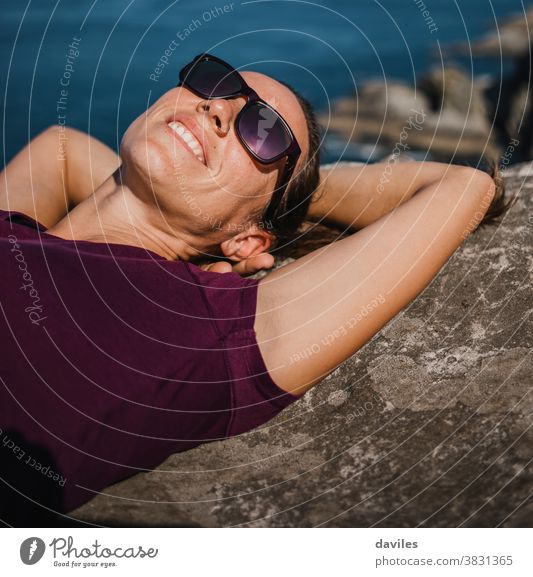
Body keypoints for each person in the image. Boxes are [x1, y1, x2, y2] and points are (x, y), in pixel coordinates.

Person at [0, 52, 504, 526]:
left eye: (264, 132)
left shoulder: (207, 325)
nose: (216, 107)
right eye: (217, 84)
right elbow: (60, 146)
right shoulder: (15, 230)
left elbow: (465, 187)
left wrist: (283, 203)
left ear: (246, 240)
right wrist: (240, 189)